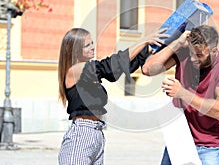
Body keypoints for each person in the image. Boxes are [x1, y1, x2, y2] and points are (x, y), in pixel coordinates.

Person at [57, 27, 167, 165]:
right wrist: (144, 41)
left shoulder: (88, 72)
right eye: (87, 45)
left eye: (92, 43)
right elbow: (110, 66)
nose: (92, 47)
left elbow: (117, 71)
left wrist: (148, 49)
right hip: (81, 135)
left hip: (96, 134)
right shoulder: (76, 70)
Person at [142, 24, 219, 165]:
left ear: (214, 51)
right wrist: (178, 43)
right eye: (191, 53)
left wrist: (182, 93)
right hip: (178, 141)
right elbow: (147, 69)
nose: (193, 59)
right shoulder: (184, 53)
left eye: (199, 55)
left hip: (207, 146)